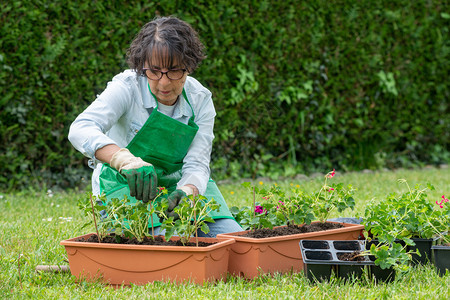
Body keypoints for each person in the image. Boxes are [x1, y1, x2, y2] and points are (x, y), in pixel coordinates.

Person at [68, 16, 243, 237]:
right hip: (125, 189)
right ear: (142, 65)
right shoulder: (127, 87)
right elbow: (80, 128)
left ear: (189, 66)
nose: (164, 82)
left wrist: (188, 191)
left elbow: (198, 163)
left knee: (234, 240)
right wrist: (125, 160)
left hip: (177, 186)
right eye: (154, 71)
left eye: (174, 70)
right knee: (170, 242)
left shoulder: (200, 100)